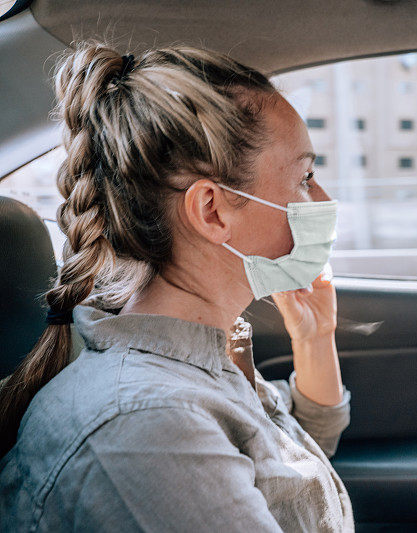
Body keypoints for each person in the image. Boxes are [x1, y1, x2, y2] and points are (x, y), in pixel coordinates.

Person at [0, 42, 354, 532]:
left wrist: (315, 339)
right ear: (212, 211)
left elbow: (294, 461)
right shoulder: (146, 428)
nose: (324, 198)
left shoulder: (206, 356)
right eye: (305, 177)